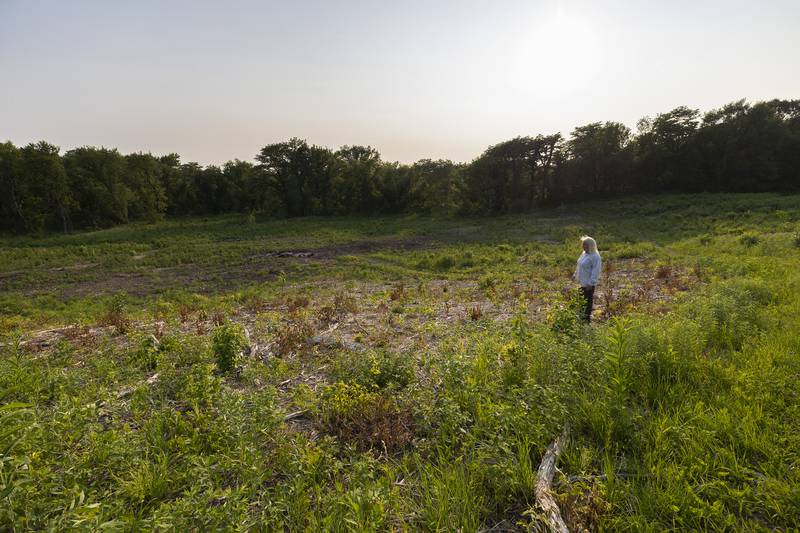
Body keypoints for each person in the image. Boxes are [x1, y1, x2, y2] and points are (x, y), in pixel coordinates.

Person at [574, 236, 602, 322]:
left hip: (588, 284)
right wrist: (575, 274)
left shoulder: (595, 256)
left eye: (585, 245)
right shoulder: (584, 254)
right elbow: (579, 265)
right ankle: (581, 317)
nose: (583, 247)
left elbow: (596, 271)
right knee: (581, 300)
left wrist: (591, 283)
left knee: (587, 301)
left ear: (591, 245)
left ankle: (586, 319)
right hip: (581, 282)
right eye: (583, 245)